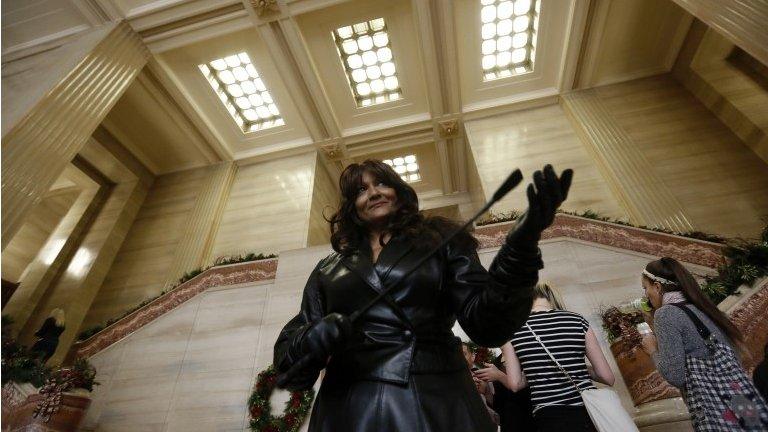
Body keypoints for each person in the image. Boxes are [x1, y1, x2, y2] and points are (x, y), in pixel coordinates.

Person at [273, 160, 573, 431]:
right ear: (352, 206)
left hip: (435, 399)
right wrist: (312, 338)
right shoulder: (327, 269)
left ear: (399, 191)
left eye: (381, 183)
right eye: (361, 190)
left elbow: (488, 325)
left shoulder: (442, 240)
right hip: (347, 411)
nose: (373, 193)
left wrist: (519, 249)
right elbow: (291, 370)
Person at [640, 257, 768, 431]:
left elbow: (675, 375)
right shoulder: (701, 306)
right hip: (742, 403)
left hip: (715, 411)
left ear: (657, 286)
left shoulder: (665, 314)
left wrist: (653, 350)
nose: (645, 294)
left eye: (645, 288)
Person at [482, 283, 615, 432]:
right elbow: (608, 378)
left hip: (549, 417)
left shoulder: (513, 331)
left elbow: (515, 384)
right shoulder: (577, 320)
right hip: (587, 413)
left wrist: (537, 372)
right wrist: (580, 368)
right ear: (551, 297)